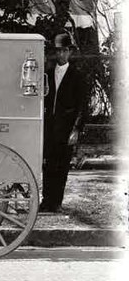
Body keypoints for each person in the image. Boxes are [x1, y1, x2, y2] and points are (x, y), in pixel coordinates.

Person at [41, 32, 86, 213]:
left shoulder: (77, 76)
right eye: (58, 51)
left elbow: (82, 106)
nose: (61, 54)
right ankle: (46, 201)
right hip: (49, 127)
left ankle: (57, 202)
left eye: (65, 51)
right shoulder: (48, 73)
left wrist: (76, 130)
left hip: (66, 129)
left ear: (70, 53)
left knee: (62, 166)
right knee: (48, 165)